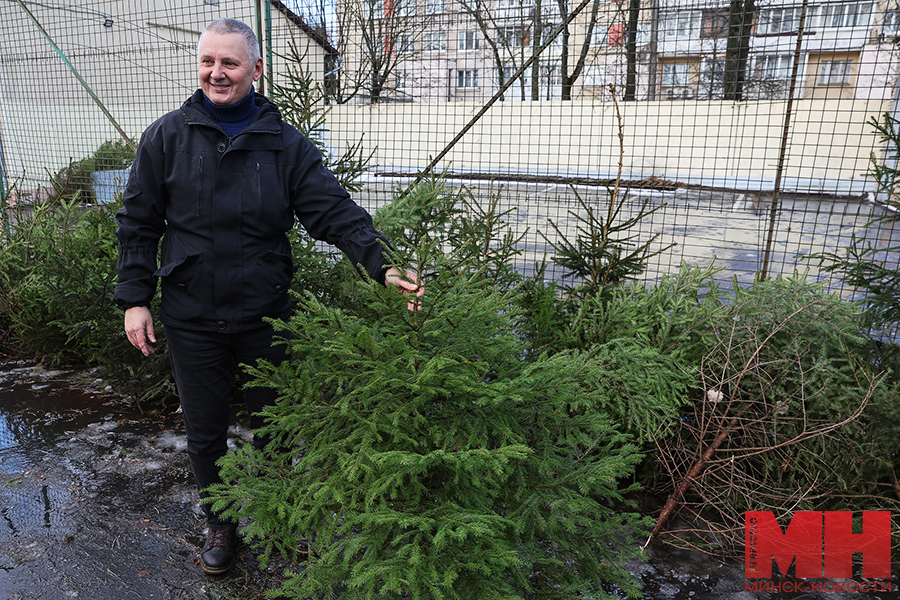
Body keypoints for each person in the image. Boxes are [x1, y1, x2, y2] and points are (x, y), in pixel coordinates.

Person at [114, 18, 422, 576]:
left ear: (257, 70)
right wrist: (136, 298)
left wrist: (383, 264)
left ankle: (280, 516)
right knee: (204, 432)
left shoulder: (285, 146)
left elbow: (331, 211)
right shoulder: (166, 138)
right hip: (191, 314)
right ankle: (221, 523)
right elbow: (138, 222)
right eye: (209, 61)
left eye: (229, 63)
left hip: (265, 315)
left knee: (275, 427)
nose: (217, 73)